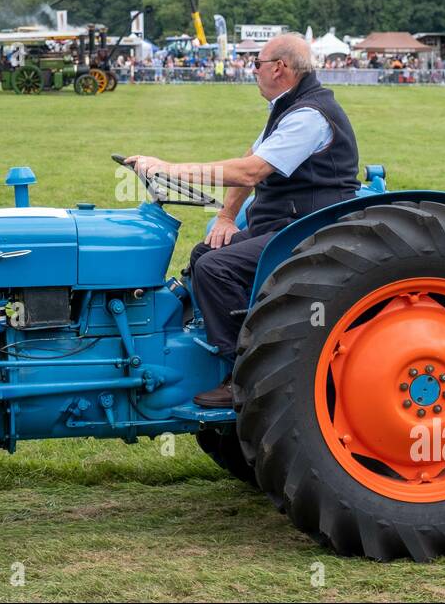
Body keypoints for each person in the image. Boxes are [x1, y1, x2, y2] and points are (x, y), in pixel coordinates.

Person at [123, 33, 360, 408]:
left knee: (217, 269)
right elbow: (252, 157)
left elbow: (250, 172)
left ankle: (245, 375)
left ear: (280, 68)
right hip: (283, 224)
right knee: (205, 253)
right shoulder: (287, 108)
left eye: (257, 63)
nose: (253, 71)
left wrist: (168, 168)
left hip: (311, 231)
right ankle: (193, 342)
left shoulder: (309, 116)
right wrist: (226, 215)